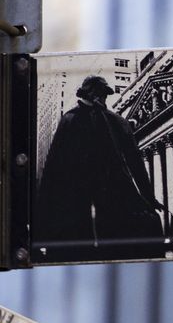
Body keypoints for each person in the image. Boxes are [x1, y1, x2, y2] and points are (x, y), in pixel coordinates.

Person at [36, 75, 165, 260]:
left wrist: (149, 197)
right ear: (90, 93)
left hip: (112, 195)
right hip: (79, 199)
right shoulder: (70, 120)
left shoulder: (116, 121)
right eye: (101, 94)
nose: (103, 98)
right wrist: (45, 211)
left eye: (105, 95)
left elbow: (135, 162)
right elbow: (53, 167)